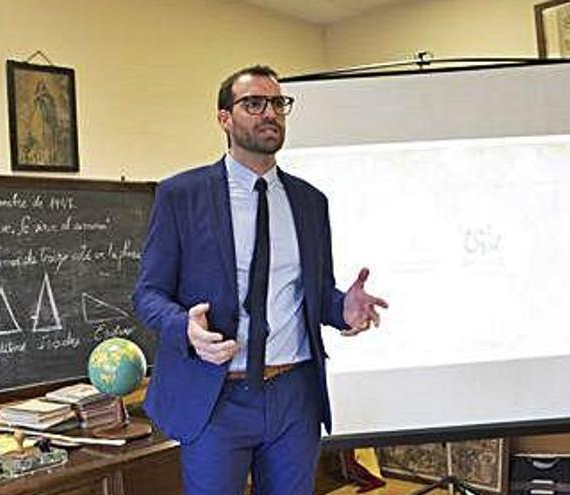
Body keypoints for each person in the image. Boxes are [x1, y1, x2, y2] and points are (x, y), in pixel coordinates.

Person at [132, 65, 388, 495]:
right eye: (254, 103)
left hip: (294, 395)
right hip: (215, 397)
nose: (270, 113)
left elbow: (315, 293)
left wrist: (343, 307)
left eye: (278, 104)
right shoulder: (181, 195)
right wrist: (185, 329)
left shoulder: (310, 202)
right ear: (224, 119)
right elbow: (148, 294)